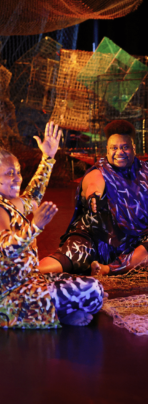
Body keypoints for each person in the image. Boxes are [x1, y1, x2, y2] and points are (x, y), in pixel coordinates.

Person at [39, 119, 148, 277]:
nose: (119, 152)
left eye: (125, 147)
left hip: (133, 244)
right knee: (70, 255)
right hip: (97, 240)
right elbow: (93, 184)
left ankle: (107, 269)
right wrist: (94, 197)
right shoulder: (99, 171)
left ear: (133, 148)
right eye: (114, 148)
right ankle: (28, 271)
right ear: (107, 150)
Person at [0, 122, 104, 328]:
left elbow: (33, 197)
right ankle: (56, 316)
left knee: (91, 286)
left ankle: (60, 309)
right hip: (10, 294)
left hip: (28, 281)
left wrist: (48, 158)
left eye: (18, 172)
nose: (17, 178)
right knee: (93, 292)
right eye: (9, 173)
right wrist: (35, 226)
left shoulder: (11, 203)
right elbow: (5, 247)